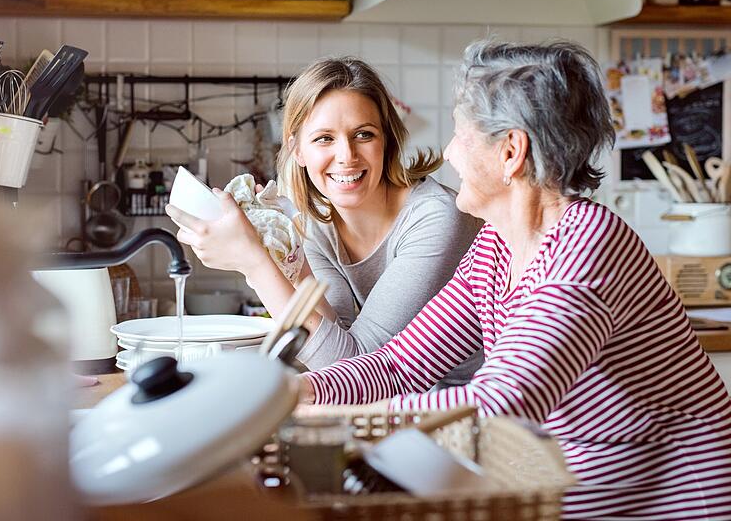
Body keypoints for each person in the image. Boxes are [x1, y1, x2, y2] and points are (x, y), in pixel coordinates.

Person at [300, 40, 731, 519]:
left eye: (461, 134)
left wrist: (335, 425)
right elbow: (400, 366)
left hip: (668, 504)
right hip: (565, 488)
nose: (447, 152)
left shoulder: (587, 246)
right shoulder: (497, 246)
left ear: (510, 152)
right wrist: (301, 394)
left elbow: (501, 403)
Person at [166, 57, 483, 375]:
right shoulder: (317, 224)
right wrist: (286, 258)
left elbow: (357, 369)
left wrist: (254, 262)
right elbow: (333, 342)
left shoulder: (436, 219)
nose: (347, 156)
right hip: (398, 403)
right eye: (324, 138)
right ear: (297, 150)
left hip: (470, 407)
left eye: (364, 135)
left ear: (386, 141)